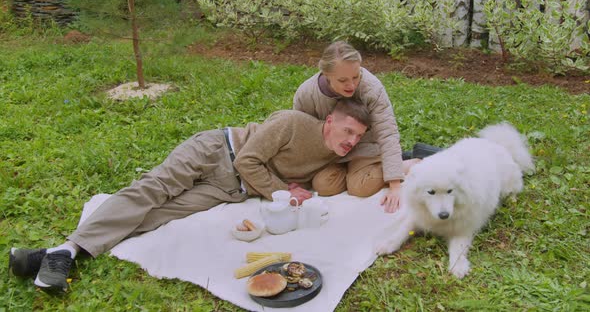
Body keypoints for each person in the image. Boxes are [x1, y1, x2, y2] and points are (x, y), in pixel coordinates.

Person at [9, 98, 369, 293]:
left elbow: (379, 159)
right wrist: (283, 191)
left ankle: (51, 255)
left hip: (227, 190)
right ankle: (66, 251)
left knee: (160, 215)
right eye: (347, 131)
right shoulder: (292, 122)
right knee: (151, 191)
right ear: (329, 122)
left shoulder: (337, 156)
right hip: (216, 151)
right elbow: (247, 159)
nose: (350, 141)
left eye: (357, 137)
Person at [294, 41, 440, 213]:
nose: (351, 85)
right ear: (326, 74)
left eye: (356, 77)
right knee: (323, 185)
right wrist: (294, 180)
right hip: (331, 153)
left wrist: (394, 185)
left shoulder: (372, 88)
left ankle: (412, 162)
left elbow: (387, 133)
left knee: (360, 188)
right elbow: (301, 135)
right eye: (343, 80)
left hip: (364, 147)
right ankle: (375, 166)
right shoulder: (306, 94)